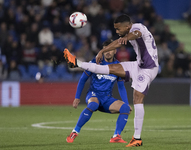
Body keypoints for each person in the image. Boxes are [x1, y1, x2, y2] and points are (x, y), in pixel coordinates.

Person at [64, 14, 159, 147]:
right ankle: (77, 62)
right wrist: (102, 51)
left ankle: (136, 138)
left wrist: (126, 37)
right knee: (110, 68)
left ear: (127, 26)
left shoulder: (138, 28)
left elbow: (136, 34)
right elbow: (117, 43)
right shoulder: (125, 33)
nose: (117, 32)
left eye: (118, 29)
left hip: (148, 68)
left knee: (137, 99)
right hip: (138, 65)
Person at [66, 39, 131, 143]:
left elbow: (121, 87)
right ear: (102, 51)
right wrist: (77, 97)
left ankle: (116, 136)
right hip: (93, 95)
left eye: (111, 50)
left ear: (115, 51)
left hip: (107, 99)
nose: (108, 52)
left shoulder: (119, 66)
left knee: (125, 108)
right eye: (106, 50)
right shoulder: (95, 62)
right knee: (93, 105)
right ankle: (75, 131)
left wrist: (127, 104)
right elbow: (83, 79)